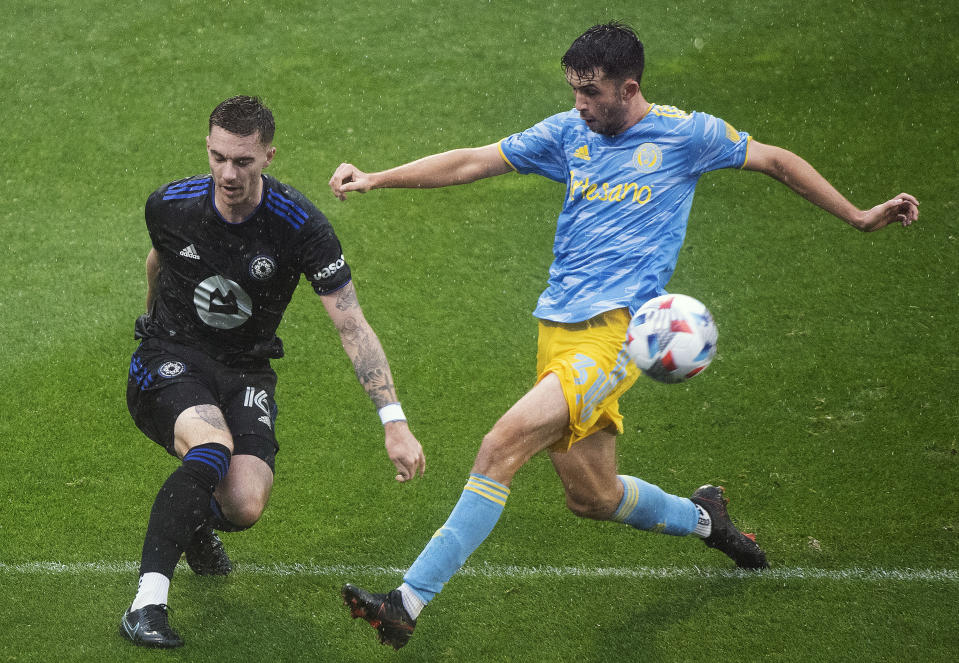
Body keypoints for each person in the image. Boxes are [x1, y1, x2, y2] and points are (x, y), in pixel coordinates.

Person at [329, 22, 919, 650]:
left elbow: (775, 159)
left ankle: (406, 602)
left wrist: (858, 216)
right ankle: (705, 519)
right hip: (555, 330)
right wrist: (377, 178)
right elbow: (476, 161)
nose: (579, 105)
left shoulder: (686, 134)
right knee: (593, 496)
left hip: (615, 338)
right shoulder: (568, 133)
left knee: (499, 447)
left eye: (591, 93)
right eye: (574, 91)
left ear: (628, 87)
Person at [120, 95, 426, 649]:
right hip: (173, 354)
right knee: (210, 448)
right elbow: (158, 258)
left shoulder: (300, 227)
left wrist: (394, 418)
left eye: (242, 161)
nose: (227, 173)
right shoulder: (170, 205)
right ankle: (147, 604)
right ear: (208, 150)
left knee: (244, 503)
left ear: (268, 156)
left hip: (245, 370)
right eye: (218, 158)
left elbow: (351, 325)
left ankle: (191, 522)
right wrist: (149, 322)